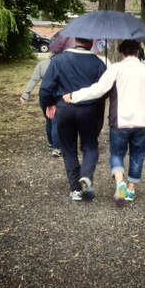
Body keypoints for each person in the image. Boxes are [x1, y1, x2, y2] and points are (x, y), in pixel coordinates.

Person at [63, 40, 145, 205]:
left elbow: (98, 89)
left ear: (122, 53)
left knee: (117, 154)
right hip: (142, 122)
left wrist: (74, 96)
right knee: (137, 156)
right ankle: (131, 190)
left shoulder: (116, 69)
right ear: (138, 52)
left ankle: (120, 182)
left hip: (120, 121)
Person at [39, 37, 107, 202]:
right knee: (90, 146)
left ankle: (75, 190)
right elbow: (104, 91)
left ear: (75, 41)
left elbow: (46, 88)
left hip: (64, 109)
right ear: (91, 43)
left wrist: (48, 104)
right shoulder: (98, 63)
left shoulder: (58, 60)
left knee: (68, 148)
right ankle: (86, 175)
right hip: (89, 110)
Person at [20, 54, 61, 157]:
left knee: (49, 119)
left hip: (44, 95)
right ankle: (56, 147)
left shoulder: (41, 64)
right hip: (57, 95)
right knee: (55, 120)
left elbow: (34, 79)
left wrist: (26, 94)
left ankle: (51, 142)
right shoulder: (62, 64)